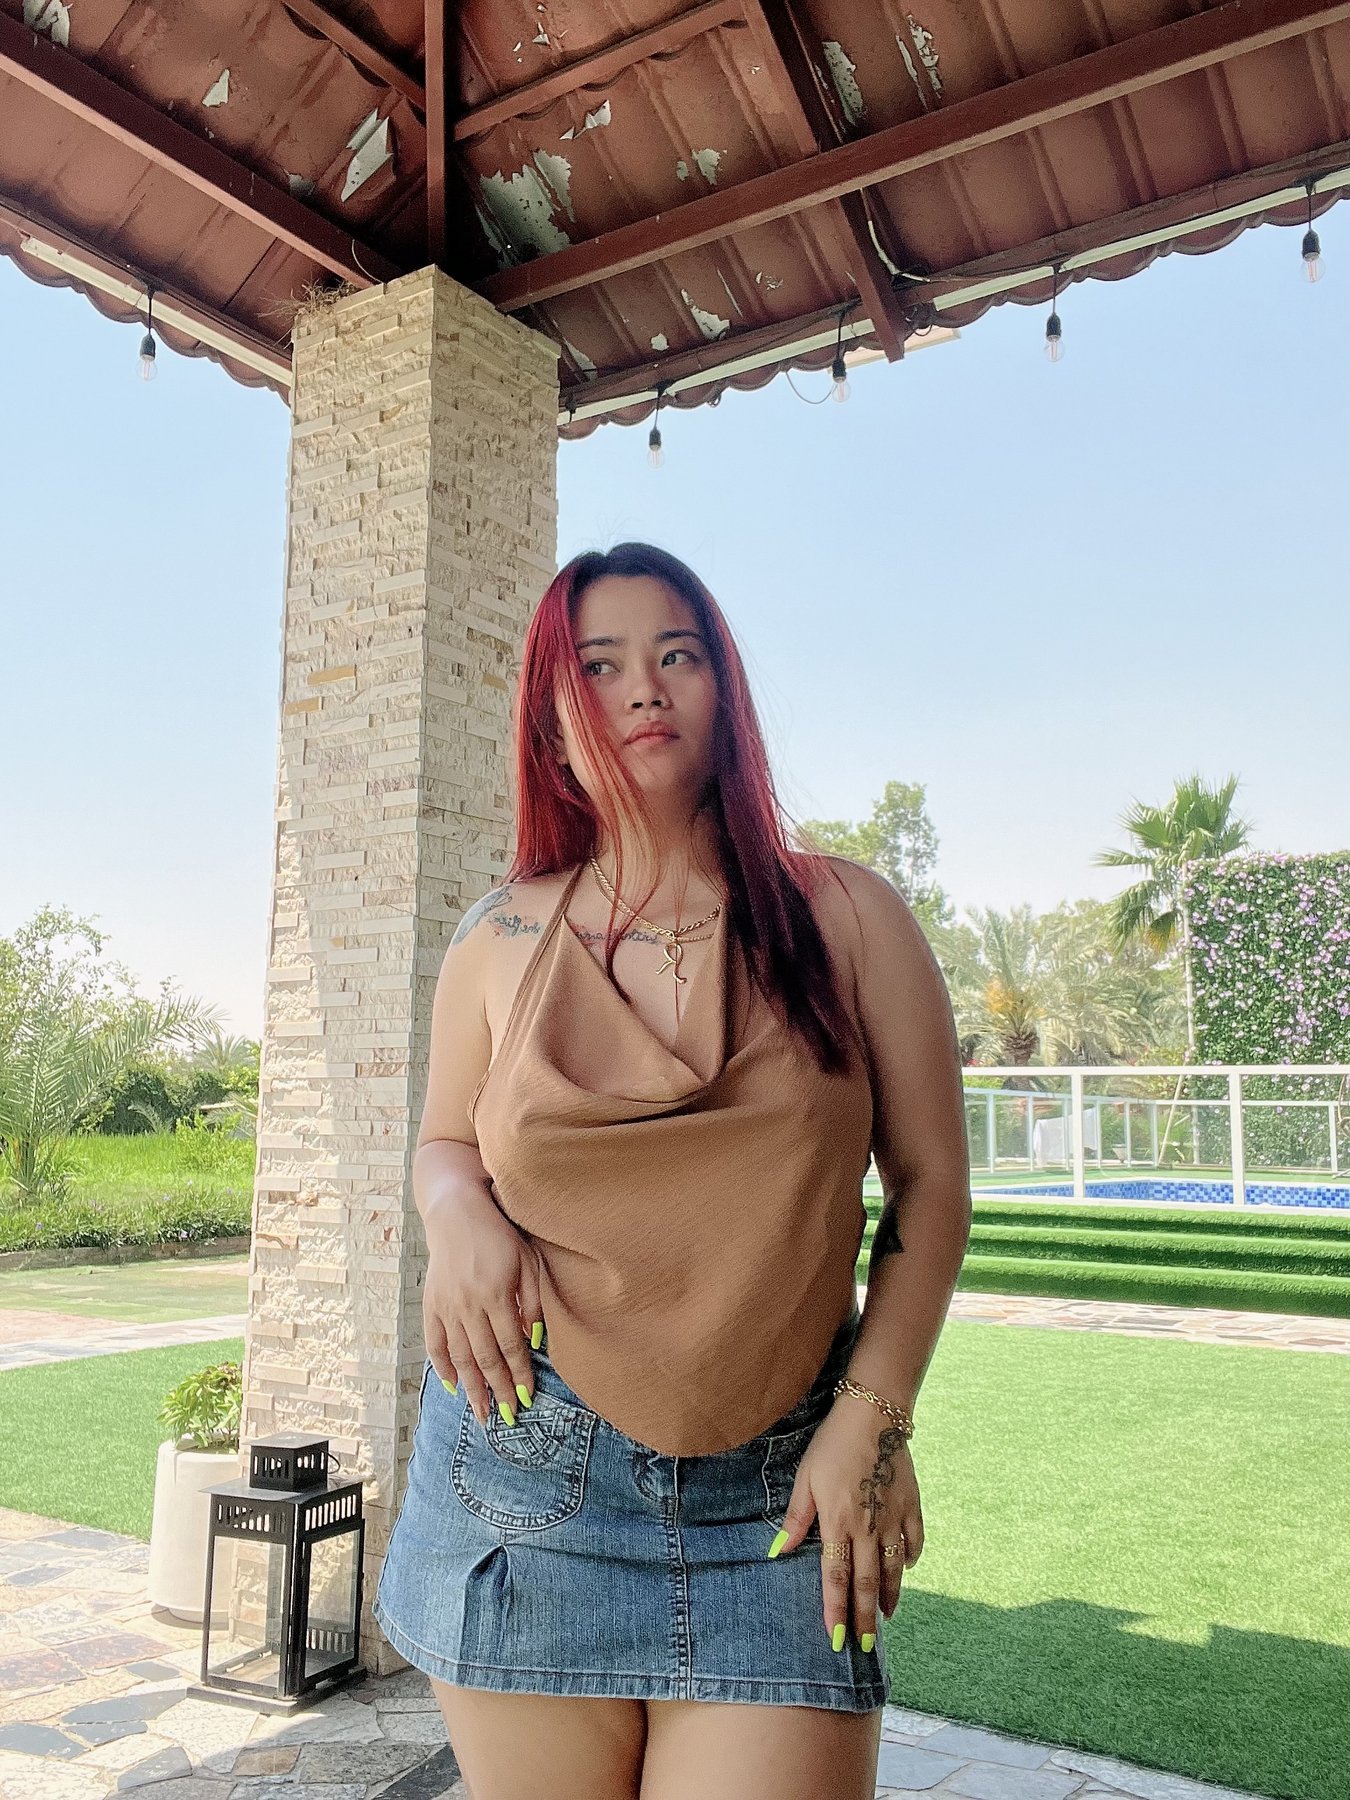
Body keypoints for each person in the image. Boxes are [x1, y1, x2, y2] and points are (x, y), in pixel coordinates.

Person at [372, 543, 971, 1799]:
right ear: (553, 714)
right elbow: (444, 1140)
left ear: (723, 687)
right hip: (523, 1482)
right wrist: (454, 1205)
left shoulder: (850, 917)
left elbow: (929, 1185)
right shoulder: (500, 935)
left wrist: (872, 1417)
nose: (643, 686)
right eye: (600, 666)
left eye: (676, 654)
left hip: (783, 1503)